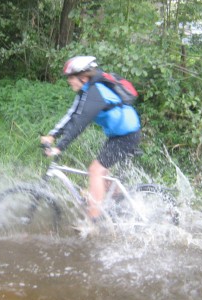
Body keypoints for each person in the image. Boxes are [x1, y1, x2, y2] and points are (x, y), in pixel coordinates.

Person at [40, 56, 141, 221]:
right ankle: (118, 205)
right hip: (117, 136)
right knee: (103, 176)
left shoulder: (96, 93)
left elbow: (80, 123)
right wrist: (52, 135)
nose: (69, 81)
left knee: (95, 170)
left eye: (71, 77)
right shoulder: (85, 93)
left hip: (127, 136)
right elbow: (72, 115)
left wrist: (60, 147)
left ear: (83, 76)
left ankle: (93, 221)